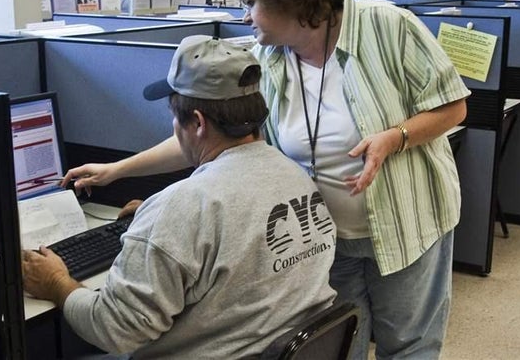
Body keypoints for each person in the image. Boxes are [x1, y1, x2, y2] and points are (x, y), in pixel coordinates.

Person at [65, 0, 470, 357]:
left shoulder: (387, 26)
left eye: (250, 3)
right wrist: (116, 170)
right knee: (344, 339)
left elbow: (453, 107)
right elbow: (204, 138)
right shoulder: (266, 60)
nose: (244, 17)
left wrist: (394, 138)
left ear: (288, 0)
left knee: (409, 344)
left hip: (407, 219)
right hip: (325, 231)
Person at [22, 35, 337, 359]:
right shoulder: (296, 176)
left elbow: (113, 329)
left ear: (197, 123)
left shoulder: (185, 207)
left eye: (175, 118)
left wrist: (57, 283)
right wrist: (161, 221)